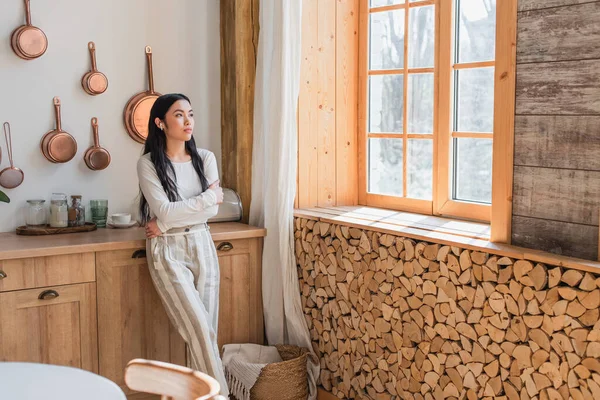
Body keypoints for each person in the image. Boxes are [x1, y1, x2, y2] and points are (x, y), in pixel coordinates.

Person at [136, 93, 228, 396]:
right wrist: (207, 197)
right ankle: (221, 395)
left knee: (206, 334)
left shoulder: (206, 158)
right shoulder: (148, 164)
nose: (187, 121)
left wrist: (163, 222)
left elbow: (211, 211)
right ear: (160, 122)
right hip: (168, 251)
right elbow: (167, 209)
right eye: (178, 115)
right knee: (200, 331)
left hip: (201, 242)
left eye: (190, 114)